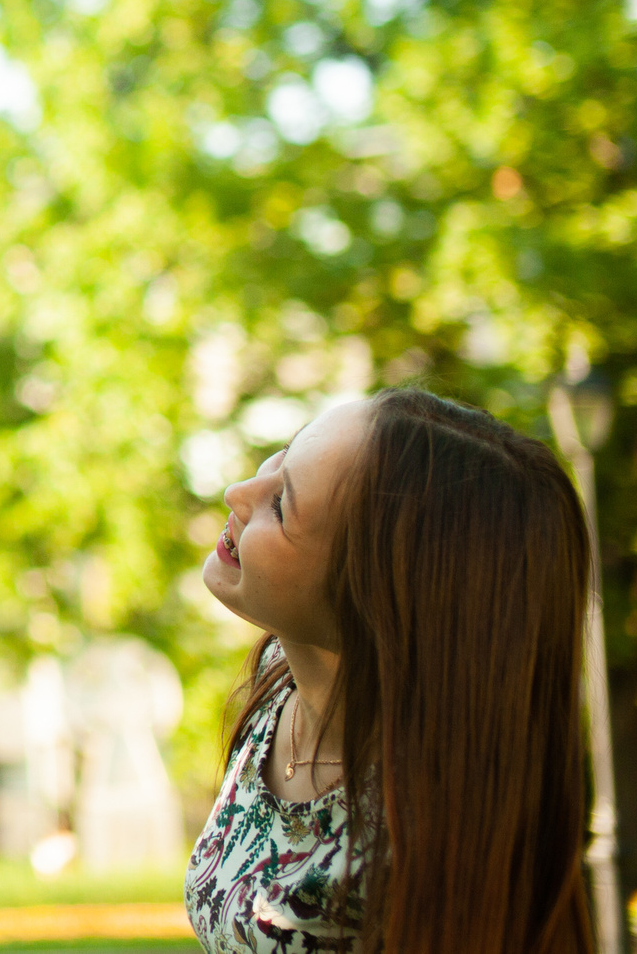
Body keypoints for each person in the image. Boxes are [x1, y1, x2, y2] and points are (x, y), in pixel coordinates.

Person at [188, 387, 594, 953]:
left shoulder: (420, 841)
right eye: (281, 456)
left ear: (372, 599)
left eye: (282, 506)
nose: (239, 492)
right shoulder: (281, 686)